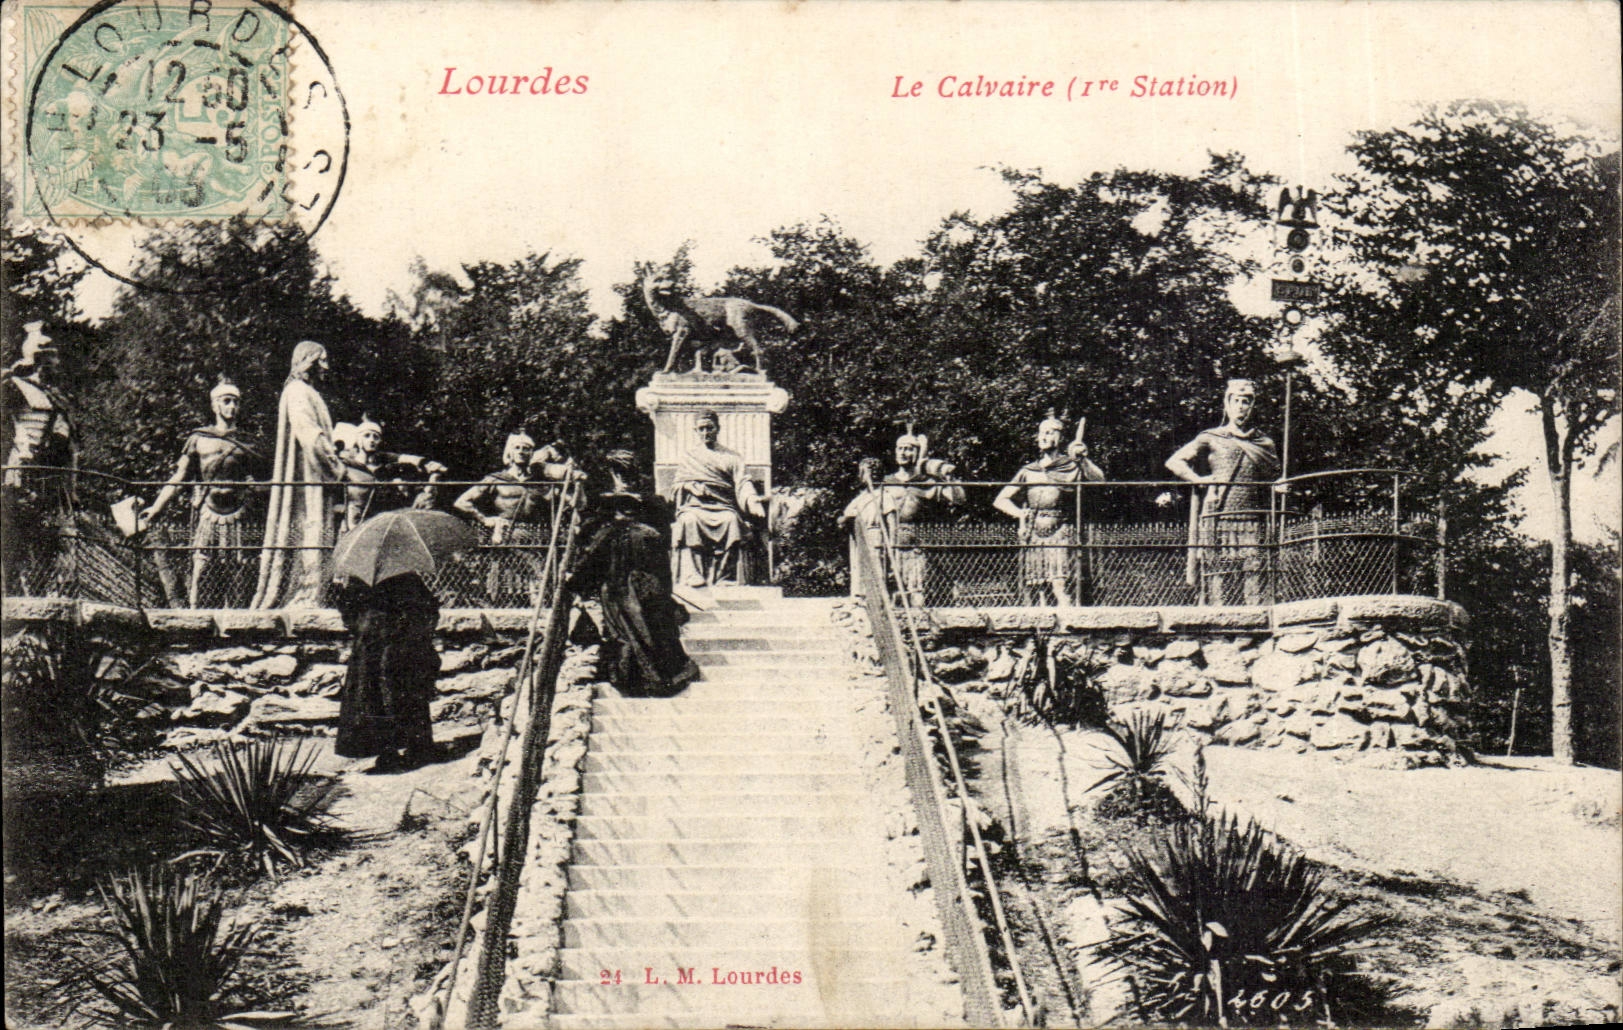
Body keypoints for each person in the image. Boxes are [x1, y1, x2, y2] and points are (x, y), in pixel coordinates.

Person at [568, 450, 699, 697]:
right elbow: (590, 540)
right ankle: (631, 675)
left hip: (645, 573)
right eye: (618, 472)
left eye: (626, 472)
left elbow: (662, 538)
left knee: (650, 620)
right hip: (617, 577)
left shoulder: (651, 503)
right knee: (625, 625)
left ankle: (648, 675)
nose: (623, 477)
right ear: (611, 474)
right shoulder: (604, 510)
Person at [139, 377, 264, 607]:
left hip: (238, 512)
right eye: (226, 401)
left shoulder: (247, 442)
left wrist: (254, 486)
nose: (232, 406)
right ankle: (195, 610)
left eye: (236, 402)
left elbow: (261, 481)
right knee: (201, 564)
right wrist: (156, 507)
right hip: (209, 511)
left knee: (237, 566)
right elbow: (180, 477)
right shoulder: (198, 439)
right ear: (215, 405)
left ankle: (238, 616)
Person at [1166, 378, 1282, 606]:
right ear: (1227, 404)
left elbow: (1272, 478)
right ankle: (1215, 615)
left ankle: (1254, 616)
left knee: (1253, 570)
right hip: (1217, 514)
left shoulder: (1264, 443)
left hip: (1251, 516)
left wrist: (1278, 486)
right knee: (1216, 571)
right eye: (1236, 401)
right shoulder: (1212, 437)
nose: (1241, 407)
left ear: (1252, 406)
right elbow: (1175, 461)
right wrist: (1198, 479)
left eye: (1246, 402)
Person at [251, 341, 343, 609]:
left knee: (315, 533)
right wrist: (336, 467)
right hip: (307, 479)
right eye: (321, 360)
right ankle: (304, 596)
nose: (326, 367)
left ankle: (313, 595)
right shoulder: (298, 391)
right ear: (308, 362)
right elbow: (310, 435)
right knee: (308, 531)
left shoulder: (309, 392)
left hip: (315, 477)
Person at [333, 572, 442, 771]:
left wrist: (361, 626)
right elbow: (430, 609)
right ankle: (415, 748)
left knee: (373, 698)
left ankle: (388, 752)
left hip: (372, 647)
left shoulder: (361, 579)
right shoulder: (407, 577)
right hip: (399, 647)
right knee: (405, 697)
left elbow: (347, 613)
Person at [993, 412, 1105, 606]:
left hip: (1060, 532)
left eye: (1049, 433)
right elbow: (1000, 500)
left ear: (1060, 437)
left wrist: (1083, 459)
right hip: (1034, 533)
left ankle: (1068, 620)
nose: (1044, 437)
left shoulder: (1070, 466)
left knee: (1060, 586)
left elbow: (1099, 480)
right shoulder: (1029, 470)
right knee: (1038, 589)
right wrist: (1019, 513)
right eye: (1041, 433)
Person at [2, 321, 80, 594]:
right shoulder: (13, 387)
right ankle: (15, 595)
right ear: (37, 360)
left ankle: (49, 595)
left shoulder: (57, 398)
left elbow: (68, 447)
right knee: (16, 540)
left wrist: (71, 489)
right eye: (48, 358)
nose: (54, 365)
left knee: (51, 542)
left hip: (50, 478)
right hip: (20, 473)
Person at [454, 432, 564, 605]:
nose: (521, 452)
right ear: (510, 453)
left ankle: (539, 604)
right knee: (530, 571)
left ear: (532, 453)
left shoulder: (540, 482)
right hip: (507, 534)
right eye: (517, 448)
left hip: (537, 535)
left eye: (526, 449)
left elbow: (560, 501)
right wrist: (484, 519)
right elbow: (462, 502)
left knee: (545, 573)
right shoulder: (497, 479)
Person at [670, 411, 762, 588]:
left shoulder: (732, 457)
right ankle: (693, 574)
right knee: (689, 520)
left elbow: (743, 482)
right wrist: (689, 486)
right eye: (701, 429)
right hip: (695, 506)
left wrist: (752, 499)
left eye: (709, 428)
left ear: (718, 429)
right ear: (696, 431)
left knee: (731, 521)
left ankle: (725, 576)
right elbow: (676, 486)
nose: (706, 432)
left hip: (723, 506)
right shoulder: (689, 457)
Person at [880, 426, 964, 607]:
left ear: (918, 453)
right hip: (890, 541)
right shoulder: (886, 482)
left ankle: (921, 622)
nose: (903, 453)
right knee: (890, 592)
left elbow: (959, 499)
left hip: (918, 544)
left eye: (909, 449)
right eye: (900, 448)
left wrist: (948, 478)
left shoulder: (927, 482)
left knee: (918, 591)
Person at [338, 415, 447, 533]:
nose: (372, 440)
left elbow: (404, 458)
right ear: (358, 439)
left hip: (379, 516)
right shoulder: (348, 464)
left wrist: (426, 464)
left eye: (376, 437)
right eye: (367, 435)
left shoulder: (384, 461)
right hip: (355, 516)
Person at [837, 457, 886, 597]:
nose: (862, 476)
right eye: (862, 472)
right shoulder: (861, 497)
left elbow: (891, 521)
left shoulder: (883, 495)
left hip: (874, 535)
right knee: (859, 568)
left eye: (865, 472)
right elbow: (844, 517)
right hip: (859, 537)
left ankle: (876, 598)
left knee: (875, 568)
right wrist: (846, 519)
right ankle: (860, 598)